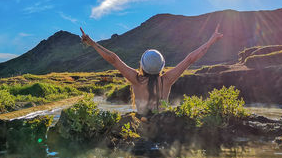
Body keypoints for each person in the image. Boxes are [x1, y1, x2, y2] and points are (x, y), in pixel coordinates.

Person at [80, 25, 223, 116]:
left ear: (142, 65)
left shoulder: (136, 80)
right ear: (162, 66)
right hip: (161, 122)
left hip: (142, 122)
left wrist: (91, 42)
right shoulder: (166, 80)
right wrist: (211, 40)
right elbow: (190, 59)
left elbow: (114, 59)